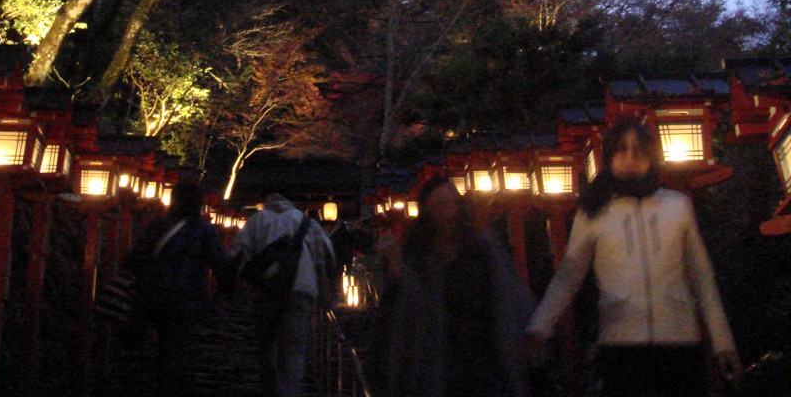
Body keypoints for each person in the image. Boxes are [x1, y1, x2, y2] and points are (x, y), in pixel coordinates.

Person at [525, 115, 742, 397]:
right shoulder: (595, 211)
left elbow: (701, 277)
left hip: (678, 342)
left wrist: (723, 343)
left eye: (638, 151)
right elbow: (569, 275)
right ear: (609, 157)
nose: (629, 159)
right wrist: (539, 327)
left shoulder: (676, 206)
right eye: (621, 150)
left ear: (651, 157)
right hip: (621, 344)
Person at [367, 174, 534, 397]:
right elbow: (408, 307)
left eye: (450, 204)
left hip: (483, 348)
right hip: (436, 350)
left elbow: (506, 293)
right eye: (439, 205)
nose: (447, 213)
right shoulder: (418, 254)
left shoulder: (482, 247)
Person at [120, 179, 227, 397]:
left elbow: (135, 257)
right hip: (188, 297)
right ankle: (171, 383)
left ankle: (144, 380)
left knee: (150, 342)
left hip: (152, 294)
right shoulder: (205, 231)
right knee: (177, 346)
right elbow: (219, 265)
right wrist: (220, 297)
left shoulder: (158, 225)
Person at [229, 192, 338, 397]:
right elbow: (324, 256)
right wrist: (326, 293)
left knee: (266, 344)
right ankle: (290, 389)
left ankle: (271, 388)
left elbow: (238, 254)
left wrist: (236, 288)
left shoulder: (256, 221)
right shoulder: (306, 222)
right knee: (294, 346)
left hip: (266, 290)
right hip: (301, 288)